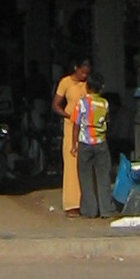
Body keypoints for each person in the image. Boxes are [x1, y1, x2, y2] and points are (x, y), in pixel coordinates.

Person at [52, 57, 89, 215]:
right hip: (70, 125)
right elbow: (55, 105)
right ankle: (72, 203)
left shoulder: (88, 84)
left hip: (87, 126)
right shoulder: (65, 82)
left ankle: (87, 201)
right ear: (76, 68)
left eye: (87, 73)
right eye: (82, 72)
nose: (84, 76)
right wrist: (67, 115)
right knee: (71, 162)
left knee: (86, 161)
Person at [74, 71, 113, 218]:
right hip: (101, 143)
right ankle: (106, 210)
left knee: (85, 177)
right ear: (101, 87)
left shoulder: (82, 102)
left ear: (87, 86)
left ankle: (89, 210)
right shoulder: (105, 103)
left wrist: (74, 144)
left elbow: (76, 124)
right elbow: (107, 121)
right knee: (103, 176)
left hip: (84, 143)